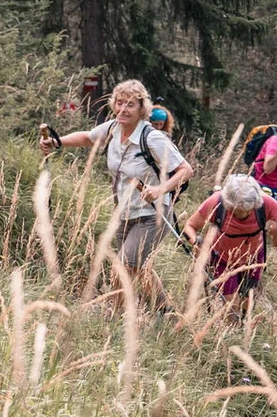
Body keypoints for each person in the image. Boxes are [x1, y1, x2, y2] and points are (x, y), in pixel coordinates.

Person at [38, 79, 192, 304]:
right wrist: (56, 142)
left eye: (130, 104)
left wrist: (160, 189)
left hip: (152, 213)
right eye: (119, 103)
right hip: (124, 212)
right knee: (138, 267)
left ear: (142, 109)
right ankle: (164, 312)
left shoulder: (152, 137)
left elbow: (185, 170)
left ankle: (119, 318)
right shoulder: (112, 128)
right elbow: (87, 137)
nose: (123, 109)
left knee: (125, 265)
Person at [181, 172, 277, 310]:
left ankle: (244, 326)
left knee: (248, 302)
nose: (242, 214)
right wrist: (195, 243)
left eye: (247, 210)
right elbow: (190, 226)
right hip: (223, 261)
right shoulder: (217, 202)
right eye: (236, 210)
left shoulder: (264, 203)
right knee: (231, 305)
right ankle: (233, 329)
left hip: (253, 259)